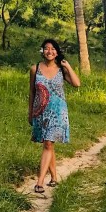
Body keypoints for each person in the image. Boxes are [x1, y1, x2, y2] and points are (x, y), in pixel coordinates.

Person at [28, 38, 81, 194]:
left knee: (48, 144)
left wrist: (68, 66)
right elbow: (32, 92)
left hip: (58, 112)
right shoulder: (35, 68)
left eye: (53, 49)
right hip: (41, 112)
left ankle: (39, 182)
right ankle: (55, 177)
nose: (49, 51)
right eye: (46, 48)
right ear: (42, 51)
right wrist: (30, 112)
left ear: (57, 51)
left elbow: (77, 83)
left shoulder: (61, 69)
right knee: (48, 144)